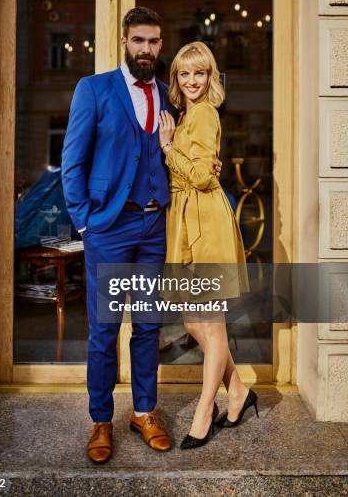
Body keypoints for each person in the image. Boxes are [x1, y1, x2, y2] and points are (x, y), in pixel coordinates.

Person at [62, 7, 221, 463]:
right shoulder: (93, 90)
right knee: (104, 330)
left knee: (149, 326)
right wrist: (85, 221)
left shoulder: (170, 99)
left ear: (160, 45)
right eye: (139, 41)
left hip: (155, 226)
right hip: (109, 227)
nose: (147, 49)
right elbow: (71, 162)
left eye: (154, 42)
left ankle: (145, 411)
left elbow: (189, 149)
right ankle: (100, 420)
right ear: (124, 43)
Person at [158, 41, 258, 450]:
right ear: (177, 79)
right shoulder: (187, 116)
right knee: (191, 322)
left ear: (209, 77)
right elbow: (200, 169)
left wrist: (167, 147)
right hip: (189, 219)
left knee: (210, 325)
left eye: (200, 73)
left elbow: (199, 177)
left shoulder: (203, 114)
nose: (193, 80)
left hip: (205, 222)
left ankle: (205, 411)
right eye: (185, 74)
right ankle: (238, 390)